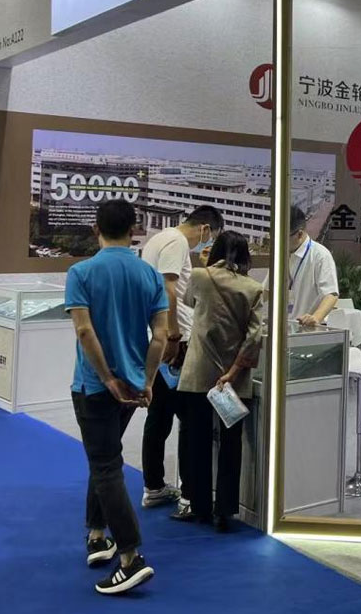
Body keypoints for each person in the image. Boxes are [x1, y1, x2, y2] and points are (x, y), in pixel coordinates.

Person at [66, 199, 169, 595]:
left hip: (94, 387)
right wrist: (147, 379)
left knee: (106, 465)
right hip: (132, 386)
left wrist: (106, 377)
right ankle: (97, 536)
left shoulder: (81, 272)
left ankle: (130, 557)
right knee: (105, 456)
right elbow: (160, 335)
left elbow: (84, 331)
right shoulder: (150, 275)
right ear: (134, 230)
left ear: (96, 229)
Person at [175, 231, 266, 530]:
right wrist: (233, 372)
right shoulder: (253, 288)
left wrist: (205, 265)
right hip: (233, 380)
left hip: (199, 374)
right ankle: (225, 510)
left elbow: (188, 301)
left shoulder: (200, 276)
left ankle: (200, 506)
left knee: (197, 441)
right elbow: (254, 337)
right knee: (231, 444)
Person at [138, 205, 224, 509]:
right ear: (205, 228)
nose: (207, 243)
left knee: (159, 415)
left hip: (157, 336)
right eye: (211, 236)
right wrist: (173, 335)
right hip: (178, 342)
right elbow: (169, 289)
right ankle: (190, 494)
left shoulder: (158, 238)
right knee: (190, 417)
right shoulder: (176, 243)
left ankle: (154, 486)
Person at [286, 205, 339, 328]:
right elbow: (266, 290)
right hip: (288, 326)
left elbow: (331, 295)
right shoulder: (281, 255)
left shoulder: (320, 255)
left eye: (283, 237)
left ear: (299, 234)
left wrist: (315, 318)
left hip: (309, 328)